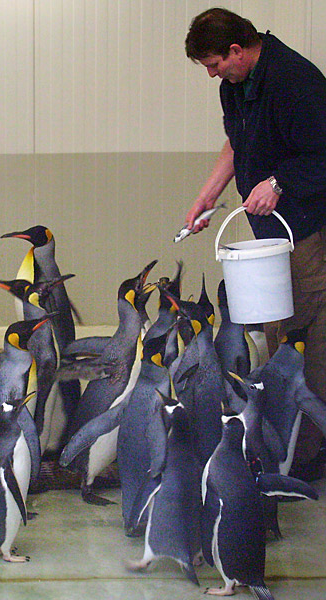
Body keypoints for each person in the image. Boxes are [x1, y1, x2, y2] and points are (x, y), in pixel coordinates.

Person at [184, 7, 326, 478]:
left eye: (214, 64)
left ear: (237, 50)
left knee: (304, 340)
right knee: (275, 330)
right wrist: (207, 196)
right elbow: (235, 143)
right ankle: (277, 444)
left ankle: (304, 454)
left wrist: (280, 182)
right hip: (270, 234)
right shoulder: (237, 84)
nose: (212, 75)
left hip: (305, 228)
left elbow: (320, 152)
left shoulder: (295, 81)